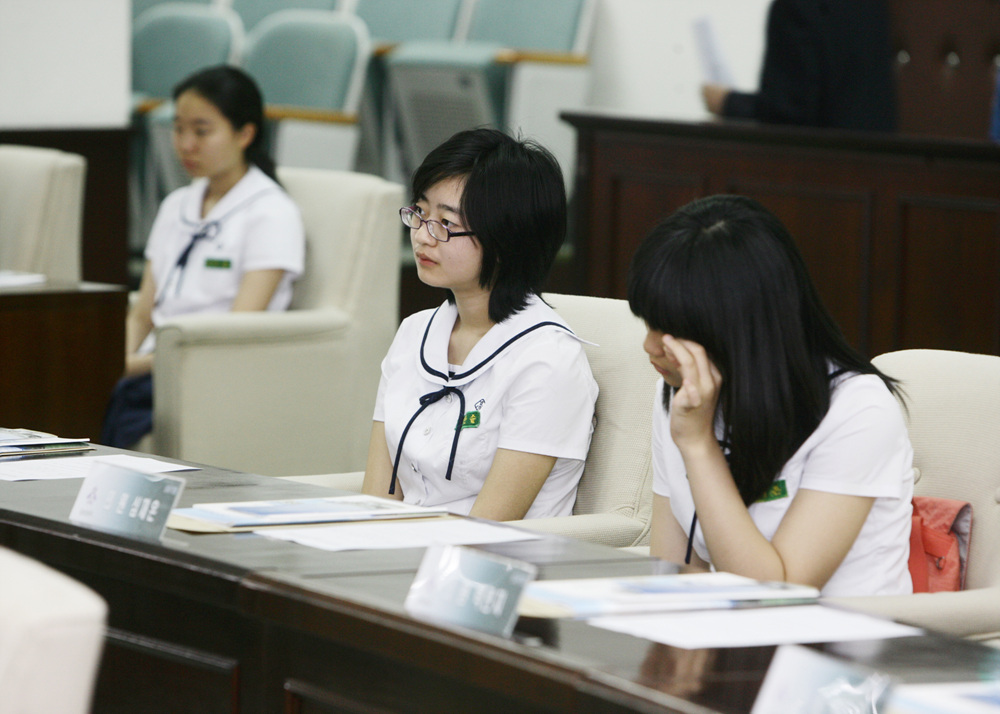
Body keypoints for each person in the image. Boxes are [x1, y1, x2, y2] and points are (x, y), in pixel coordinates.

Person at [627, 195, 913, 597]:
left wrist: (698, 445)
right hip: (727, 638)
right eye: (649, 323)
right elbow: (676, 570)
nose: (650, 345)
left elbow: (776, 594)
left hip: (837, 647)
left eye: (670, 330)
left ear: (736, 329)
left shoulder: (858, 409)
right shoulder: (682, 393)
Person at [362, 128, 598, 520]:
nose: (422, 235)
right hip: (397, 551)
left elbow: (488, 527)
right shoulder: (415, 332)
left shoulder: (547, 361)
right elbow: (377, 499)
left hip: (485, 566)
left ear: (508, 239)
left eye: (445, 223)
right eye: (419, 212)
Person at [101, 65, 305, 448]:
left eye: (201, 131)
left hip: (211, 367)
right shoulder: (177, 204)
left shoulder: (271, 212)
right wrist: (118, 359)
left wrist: (131, 366)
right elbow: (144, 313)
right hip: (150, 364)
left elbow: (234, 331)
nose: (186, 144)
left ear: (245, 133)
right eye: (178, 129)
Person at [701, 0, 897, 132]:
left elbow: (787, 113)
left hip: (823, 172)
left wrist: (727, 103)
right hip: (886, 169)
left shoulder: (796, 8)